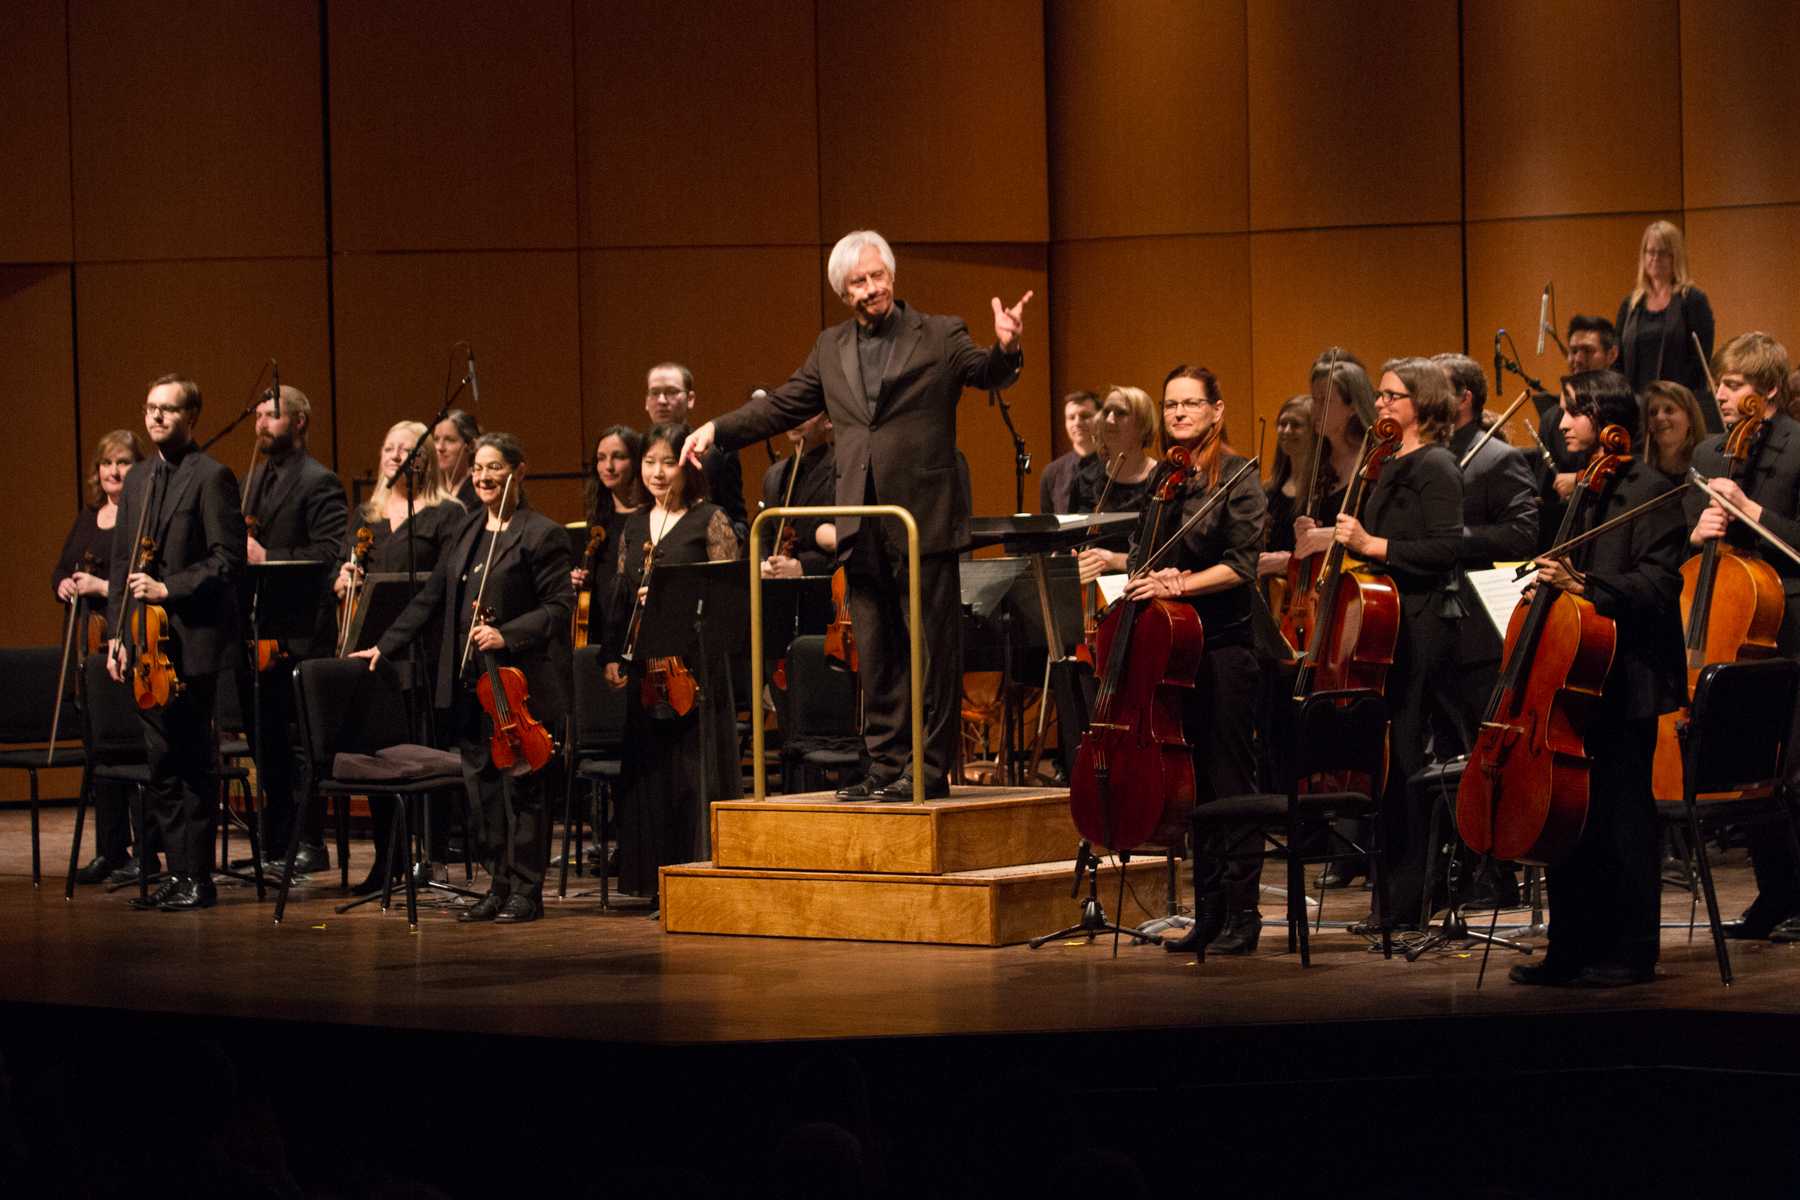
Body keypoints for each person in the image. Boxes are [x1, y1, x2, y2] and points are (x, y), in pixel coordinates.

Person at [683, 229, 1031, 801]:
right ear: (843, 291)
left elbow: (984, 371)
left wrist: (1007, 348)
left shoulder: (941, 333)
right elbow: (782, 407)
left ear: (891, 274)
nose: (872, 287)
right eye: (859, 281)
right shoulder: (830, 348)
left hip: (922, 516)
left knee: (930, 650)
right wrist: (716, 430)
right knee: (876, 647)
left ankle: (929, 768)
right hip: (860, 517)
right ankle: (887, 764)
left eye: (878, 275)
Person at [1510, 369, 1685, 987]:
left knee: (1622, 817)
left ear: (1606, 417)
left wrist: (1584, 586)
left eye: (1571, 412)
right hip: (1574, 676)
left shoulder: (1653, 490)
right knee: (1570, 816)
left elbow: (1661, 585)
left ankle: (1632, 951)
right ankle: (1569, 947)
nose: (1561, 424)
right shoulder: (1584, 488)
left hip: (1629, 677)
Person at [356, 433, 573, 924]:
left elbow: (559, 609)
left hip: (519, 685)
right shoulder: (468, 529)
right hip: (468, 685)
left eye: (495, 468)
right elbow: (430, 599)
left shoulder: (541, 534)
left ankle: (526, 890)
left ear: (519, 472)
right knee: (484, 791)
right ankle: (497, 885)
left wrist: (506, 634)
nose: (483, 477)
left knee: (524, 788)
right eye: (477, 469)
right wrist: (384, 645)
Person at [1105, 366, 1265, 955]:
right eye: (1170, 405)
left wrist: (1182, 585)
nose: (1177, 414)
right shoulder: (1164, 480)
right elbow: (1138, 558)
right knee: (1192, 788)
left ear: (1216, 411)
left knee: (1229, 783)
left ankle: (1244, 917)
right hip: (1172, 656)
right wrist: (1147, 574)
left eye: (1190, 404)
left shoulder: (1240, 478)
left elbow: (1241, 566)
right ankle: (1209, 913)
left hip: (1223, 651)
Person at [1330, 357, 1466, 929]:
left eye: (1393, 396)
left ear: (1423, 403)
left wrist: (1373, 545)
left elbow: (1445, 548)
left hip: (1421, 624)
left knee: (1409, 759)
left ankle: (1411, 901)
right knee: (1385, 764)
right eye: (1380, 396)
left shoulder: (1436, 465)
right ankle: (1391, 900)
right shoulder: (1382, 462)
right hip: (1382, 624)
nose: (1381, 403)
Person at [105, 375, 247, 911]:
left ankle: (198, 877)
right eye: (150, 409)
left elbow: (226, 561)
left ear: (191, 417)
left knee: (191, 759)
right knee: (160, 759)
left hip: (193, 642)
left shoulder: (212, 477)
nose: (156, 418)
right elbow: (122, 561)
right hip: (145, 645)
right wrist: (118, 635)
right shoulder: (139, 479)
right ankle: (175, 872)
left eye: (167, 410)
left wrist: (170, 587)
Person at [1678, 333, 1800, 942]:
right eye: (1720, 384)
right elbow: (1678, 549)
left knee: (1793, 773)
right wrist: (1697, 532)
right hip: (1732, 625)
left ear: (1769, 389)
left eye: (1734, 384)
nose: (1721, 395)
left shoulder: (1799, 446)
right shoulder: (1706, 452)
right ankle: (1775, 894)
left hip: (1791, 622)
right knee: (1752, 769)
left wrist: (1751, 509)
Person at [604, 423, 742, 904]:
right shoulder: (635, 524)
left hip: (695, 666)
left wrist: (673, 599)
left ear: (688, 466)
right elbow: (620, 599)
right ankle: (653, 880)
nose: (657, 472)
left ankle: (700, 876)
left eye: (668, 462)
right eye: (649, 462)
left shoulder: (710, 520)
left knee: (691, 773)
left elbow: (728, 597)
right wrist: (616, 656)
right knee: (651, 772)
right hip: (647, 667)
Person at [333, 419, 466, 894]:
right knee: (378, 755)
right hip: (369, 655)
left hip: (421, 654)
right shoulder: (363, 516)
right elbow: (342, 571)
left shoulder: (447, 514)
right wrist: (344, 578)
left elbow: (446, 585)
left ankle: (429, 858)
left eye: (405, 450)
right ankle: (386, 859)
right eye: (388, 448)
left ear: (423, 459)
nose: (393, 456)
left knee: (420, 752)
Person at [242, 385, 349, 877]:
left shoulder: (319, 480)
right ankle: (276, 836)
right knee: (266, 739)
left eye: (274, 415)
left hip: (303, 630)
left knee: (302, 740)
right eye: (260, 415)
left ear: (301, 421)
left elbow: (331, 552)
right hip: (259, 630)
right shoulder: (255, 477)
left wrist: (269, 557)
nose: (263, 423)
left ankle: (311, 840)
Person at [1433, 353, 1538, 742]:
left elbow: (1523, 536)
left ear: (1464, 398)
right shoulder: (1425, 457)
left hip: (1474, 631)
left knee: (1481, 742)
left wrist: (1450, 538)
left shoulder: (1497, 458)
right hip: (1430, 626)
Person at [58, 429, 146, 885]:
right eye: (107, 463)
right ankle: (111, 849)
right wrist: (65, 585)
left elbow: (143, 577)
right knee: (99, 753)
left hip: (126, 641)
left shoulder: (142, 518)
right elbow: (61, 568)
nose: (113, 471)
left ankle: (146, 852)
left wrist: (100, 587)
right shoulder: (88, 518)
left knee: (131, 745)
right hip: (86, 646)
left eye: (124, 462)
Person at [1616, 220, 1716, 428]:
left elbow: (1699, 360)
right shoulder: (1631, 304)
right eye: (1649, 252)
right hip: (1637, 408)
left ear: (1675, 256)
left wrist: (1672, 401)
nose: (1654, 258)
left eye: (1662, 253)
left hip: (1678, 406)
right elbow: (1618, 360)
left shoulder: (1692, 300)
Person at [643, 363, 748, 539]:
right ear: (646, 401)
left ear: (690, 399)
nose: (661, 400)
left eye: (671, 392)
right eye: (654, 393)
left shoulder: (716, 453)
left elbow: (737, 523)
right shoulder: (637, 451)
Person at [571, 425, 650, 648]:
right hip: (600, 627)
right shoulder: (597, 519)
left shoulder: (650, 517)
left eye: (619, 457)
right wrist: (576, 580)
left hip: (636, 625)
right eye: (601, 458)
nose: (608, 466)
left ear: (636, 461)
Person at [1073, 387, 1160, 569]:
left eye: (1121, 413)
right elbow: (1073, 541)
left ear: (1142, 424)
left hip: (1142, 585)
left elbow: (1166, 554)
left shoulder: (1161, 480)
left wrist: (1113, 560)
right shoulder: (1086, 479)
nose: (1110, 419)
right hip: (1093, 587)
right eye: (1106, 412)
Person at [760, 411, 838, 579]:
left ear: (829, 421)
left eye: (807, 410)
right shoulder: (773, 475)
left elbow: (855, 546)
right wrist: (763, 564)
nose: (795, 417)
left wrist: (806, 567)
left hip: (824, 594)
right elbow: (764, 536)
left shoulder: (841, 470)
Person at [1039, 390, 1098, 515]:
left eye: (1085, 416)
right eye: (1071, 418)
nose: (1077, 423)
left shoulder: (1114, 467)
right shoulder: (1051, 473)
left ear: (1100, 419)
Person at [1644, 380, 1705, 480]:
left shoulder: (1707, 469)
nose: (1659, 417)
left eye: (1669, 410)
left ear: (1690, 418)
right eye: (1653, 413)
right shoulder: (1643, 474)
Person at [433, 409, 480, 510]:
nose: (440, 447)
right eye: (436, 439)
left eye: (449, 440)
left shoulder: (479, 491)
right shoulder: (430, 489)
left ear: (471, 446)